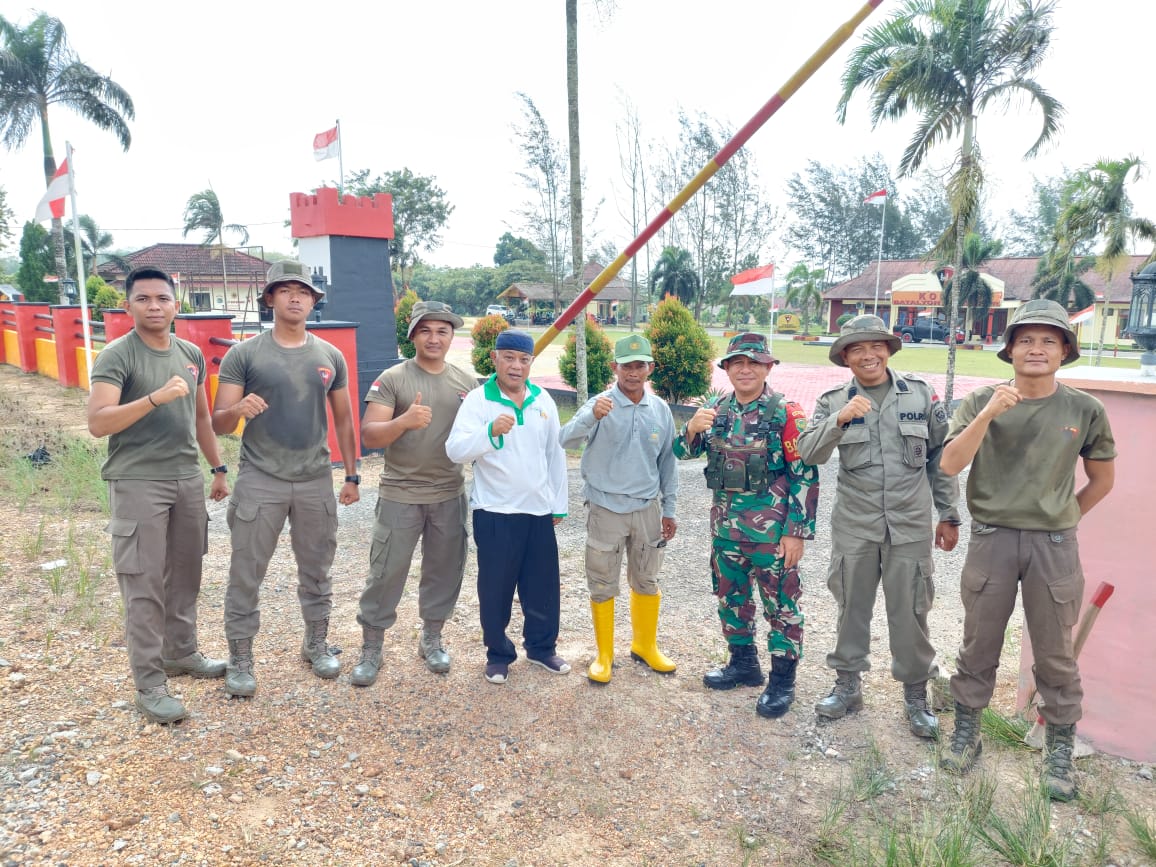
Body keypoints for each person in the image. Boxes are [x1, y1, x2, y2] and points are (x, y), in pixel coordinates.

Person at [938, 299, 1115, 801]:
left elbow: (1102, 479)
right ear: (1010, 349)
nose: (1036, 349)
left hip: (1054, 547)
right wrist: (991, 411)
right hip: (992, 538)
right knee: (978, 644)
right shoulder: (980, 401)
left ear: (1064, 352)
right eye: (1026, 340)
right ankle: (967, 734)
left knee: (1056, 652)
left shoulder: (1084, 409)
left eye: (1049, 341)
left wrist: (1062, 518)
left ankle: (1059, 751)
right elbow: (950, 464)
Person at [797, 315, 960, 738]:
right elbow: (808, 453)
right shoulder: (834, 401)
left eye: (875, 346)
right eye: (856, 348)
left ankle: (916, 696)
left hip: (910, 525)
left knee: (911, 611)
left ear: (888, 350)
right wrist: (840, 421)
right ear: (845, 357)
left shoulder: (920, 395)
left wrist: (948, 513)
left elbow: (941, 457)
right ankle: (848, 686)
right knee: (851, 606)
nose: (867, 354)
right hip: (856, 525)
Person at [87, 267, 230, 724]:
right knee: (144, 586)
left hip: (186, 478)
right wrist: (154, 398)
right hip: (137, 481)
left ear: (176, 304)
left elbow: (202, 418)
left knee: (186, 574)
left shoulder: (190, 353)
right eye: (144, 299)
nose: (154, 306)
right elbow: (98, 422)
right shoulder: (117, 355)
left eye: (162, 298)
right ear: (128, 305)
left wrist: (219, 467)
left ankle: (180, 653)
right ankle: (149, 684)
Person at [212, 260, 361, 697]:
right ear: (270, 298)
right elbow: (219, 422)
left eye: (303, 291)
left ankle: (315, 644)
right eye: (285, 290)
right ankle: (240, 657)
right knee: (246, 571)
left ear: (314, 301)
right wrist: (236, 412)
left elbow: (345, 419)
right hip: (261, 478)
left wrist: (351, 474)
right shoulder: (246, 354)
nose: (295, 297)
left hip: (315, 477)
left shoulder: (328, 355)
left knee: (317, 569)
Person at [673, 332, 818, 718]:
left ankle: (782, 680)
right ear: (726, 369)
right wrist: (692, 429)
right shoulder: (715, 408)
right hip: (725, 531)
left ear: (768, 367)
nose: (745, 369)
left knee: (781, 605)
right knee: (731, 598)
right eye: (737, 362)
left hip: (772, 535)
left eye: (754, 362)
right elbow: (680, 453)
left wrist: (796, 531)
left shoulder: (786, 413)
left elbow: (805, 473)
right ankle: (744, 665)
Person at [351, 301, 476, 686]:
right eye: (426, 330)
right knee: (386, 572)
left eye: (443, 331)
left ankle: (432, 638)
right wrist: (404, 421)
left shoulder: (467, 383)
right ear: (412, 336)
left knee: (443, 571)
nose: (434, 338)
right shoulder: (393, 378)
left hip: (448, 492)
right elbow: (369, 434)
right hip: (400, 493)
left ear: (452, 337)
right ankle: (372, 646)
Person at [445, 329, 569, 685]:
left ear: (531, 362)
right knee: (496, 588)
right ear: (494, 359)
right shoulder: (478, 400)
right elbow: (454, 450)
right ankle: (498, 654)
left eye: (524, 360)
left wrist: (557, 503)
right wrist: (489, 432)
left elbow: (555, 455)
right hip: (496, 511)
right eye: (509, 358)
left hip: (538, 511)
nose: (516, 366)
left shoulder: (542, 399)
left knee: (542, 586)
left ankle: (542, 649)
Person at [559, 335, 678, 684]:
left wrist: (669, 509)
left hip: (646, 508)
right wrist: (590, 418)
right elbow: (565, 440)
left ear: (649, 368)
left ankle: (644, 645)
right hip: (606, 508)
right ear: (615, 368)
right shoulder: (599, 404)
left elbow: (668, 463)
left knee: (647, 577)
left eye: (640, 365)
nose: (633, 372)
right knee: (602, 580)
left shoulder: (660, 410)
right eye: (626, 365)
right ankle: (604, 654)